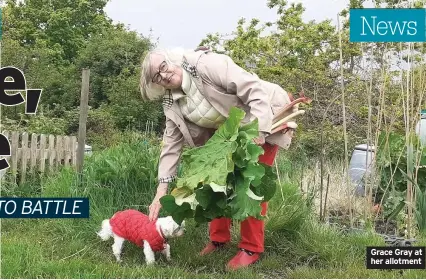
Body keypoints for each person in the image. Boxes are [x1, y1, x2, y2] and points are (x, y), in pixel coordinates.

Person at [139, 46, 297, 270]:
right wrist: (161, 190)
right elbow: (171, 145)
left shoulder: (207, 65)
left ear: (172, 60)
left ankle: (250, 248)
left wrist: (259, 130)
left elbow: (253, 89)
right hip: (227, 133)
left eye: (163, 67)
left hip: (262, 115)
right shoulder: (171, 102)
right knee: (214, 183)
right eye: (157, 76)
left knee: (251, 185)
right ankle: (218, 240)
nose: (163, 75)